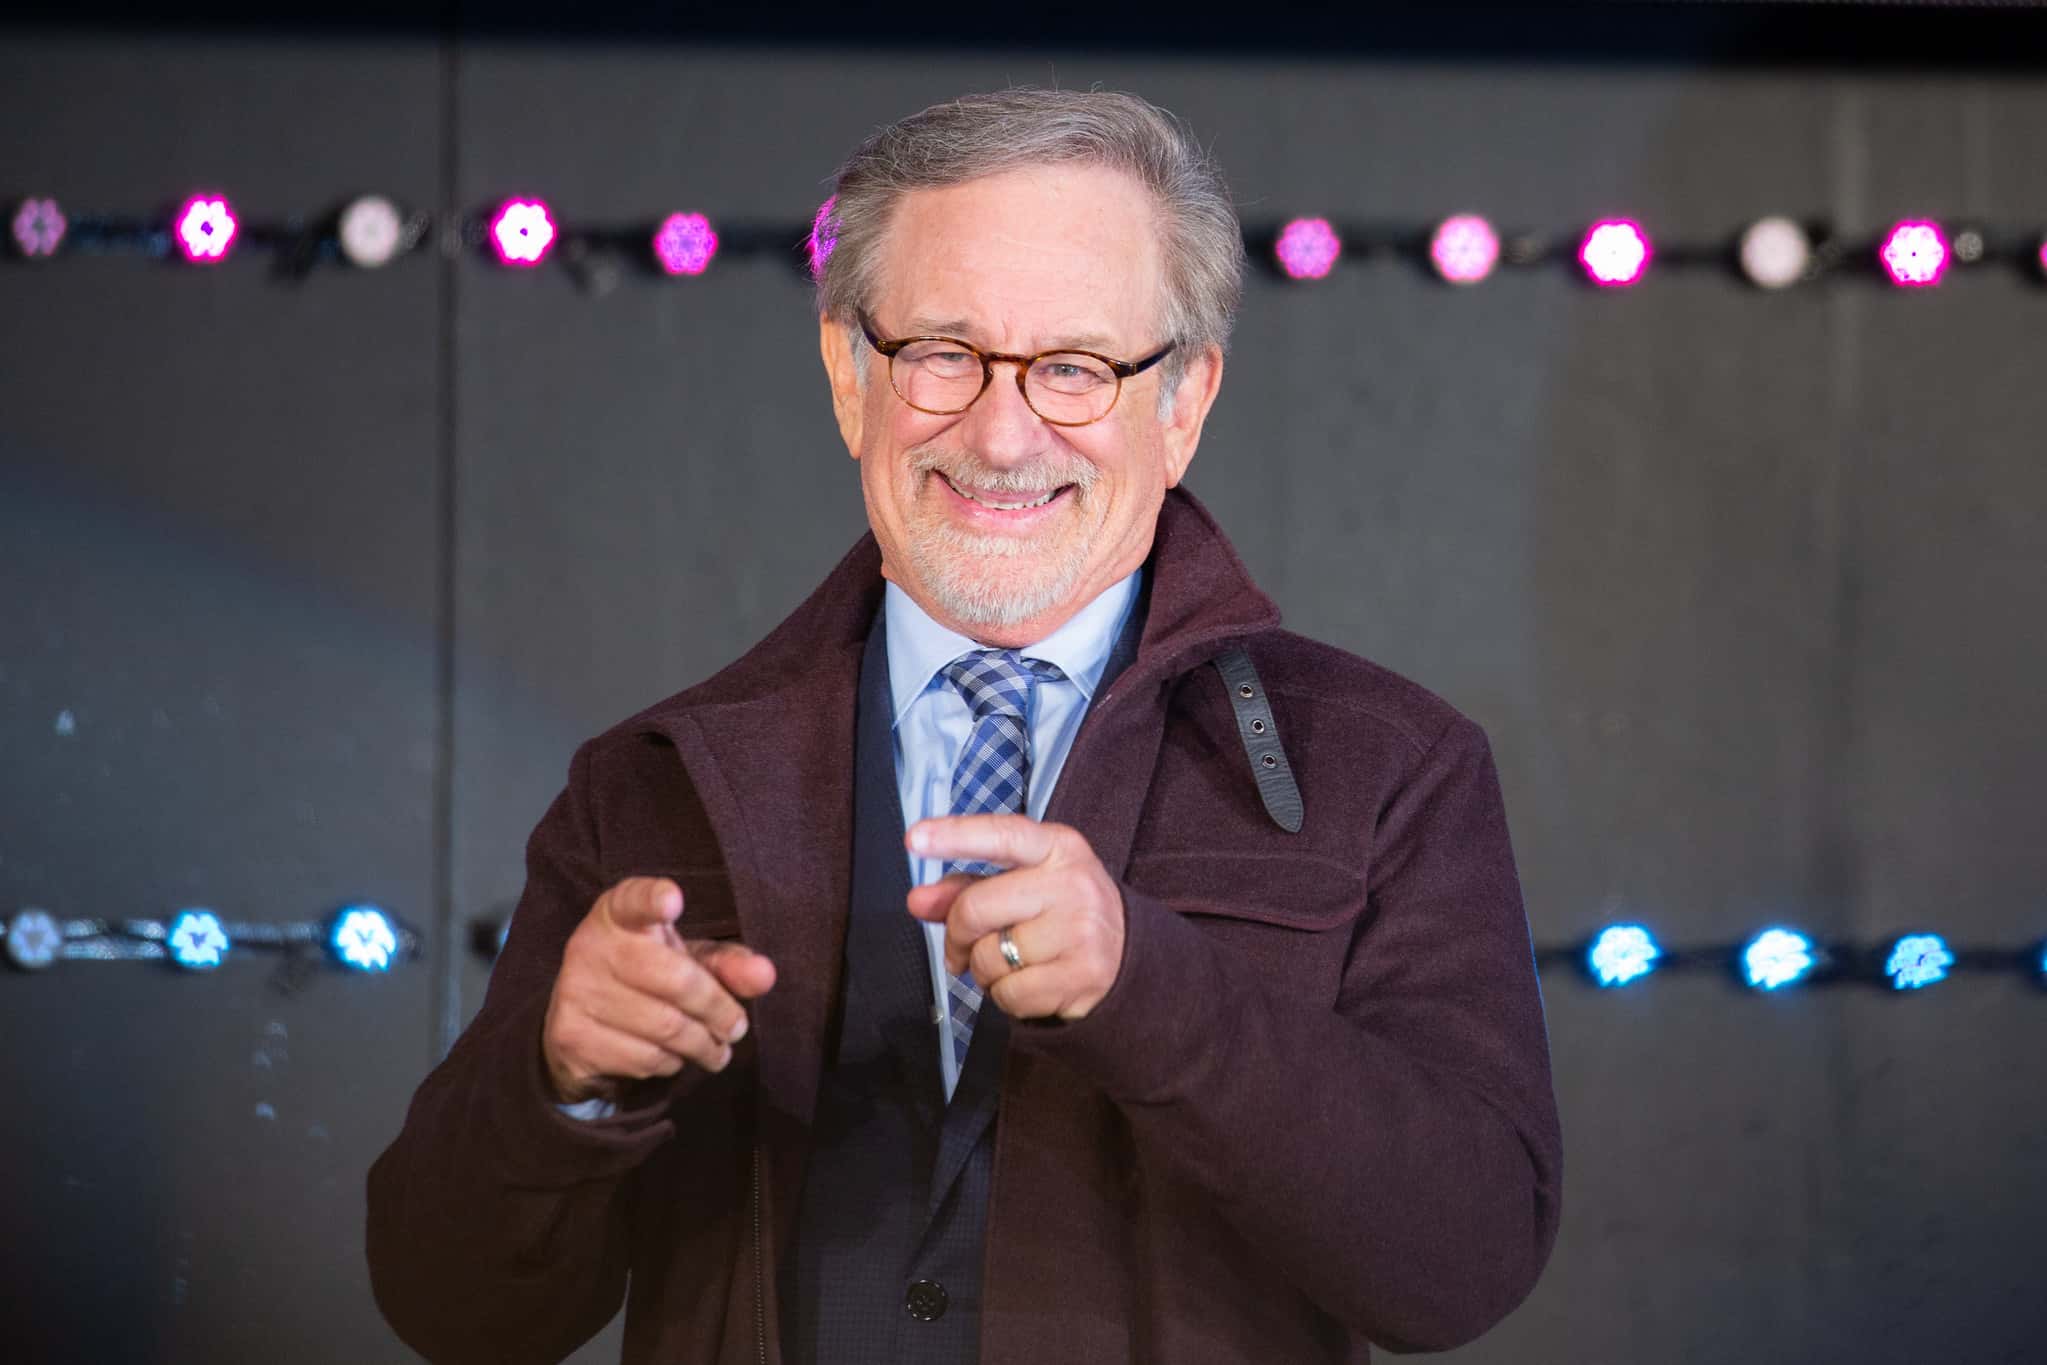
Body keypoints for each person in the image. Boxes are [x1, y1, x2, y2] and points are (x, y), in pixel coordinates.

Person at [367, 87, 1561, 1365]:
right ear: (847, 375)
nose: (1001, 433)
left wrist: (1148, 985)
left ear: (1184, 404)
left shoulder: (1386, 765)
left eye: (1075, 368)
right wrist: (565, 1083)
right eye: (942, 352)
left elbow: (1463, 1263)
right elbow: (451, 1308)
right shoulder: (649, 785)